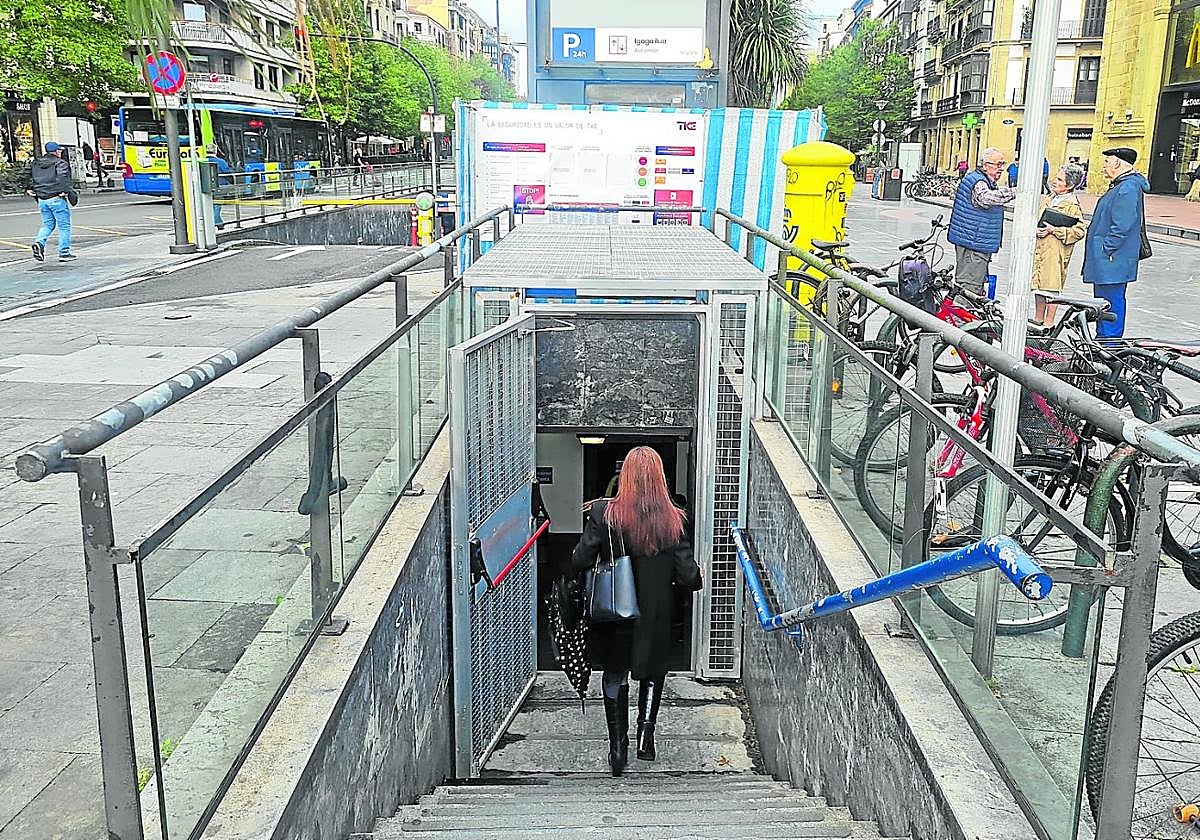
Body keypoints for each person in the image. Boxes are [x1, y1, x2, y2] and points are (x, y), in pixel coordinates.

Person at [568, 447, 703, 777]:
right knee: (655, 671)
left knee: (615, 675)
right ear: (660, 479)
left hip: (615, 610)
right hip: (657, 614)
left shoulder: (604, 513)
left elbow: (579, 560)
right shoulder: (675, 518)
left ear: (624, 476)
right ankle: (646, 736)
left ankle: (617, 750)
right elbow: (688, 577)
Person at [1082, 147, 1150, 340]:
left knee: (1111, 300)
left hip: (1112, 259)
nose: (1104, 166)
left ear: (1118, 163)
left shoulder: (1127, 188)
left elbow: (1123, 224)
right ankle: (1104, 338)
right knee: (1106, 300)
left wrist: (1106, 248)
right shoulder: (1121, 185)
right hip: (1110, 258)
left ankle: (1109, 342)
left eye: (1107, 161)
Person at [948, 147, 1017, 297]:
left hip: (974, 241)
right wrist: (1015, 192)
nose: (1002, 168)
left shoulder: (980, 179)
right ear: (985, 165)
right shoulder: (978, 181)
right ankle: (961, 318)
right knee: (969, 287)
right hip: (973, 243)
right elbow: (986, 199)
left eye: (1003, 164)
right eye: (998, 164)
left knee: (971, 284)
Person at [1032, 164, 1088, 326]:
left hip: (1055, 252)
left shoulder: (1071, 205)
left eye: (1059, 179)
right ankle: (1038, 318)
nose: (1054, 181)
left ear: (1069, 185)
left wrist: (1055, 230)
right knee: (1038, 286)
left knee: (1051, 287)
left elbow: (1079, 230)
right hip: (1040, 248)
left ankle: (1049, 322)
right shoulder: (1050, 198)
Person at [24, 141, 75, 263]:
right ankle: (64, 253)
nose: (60, 152)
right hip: (56, 198)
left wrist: (29, 188)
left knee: (48, 224)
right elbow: (62, 177)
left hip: (42, 199)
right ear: (57, 151)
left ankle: (39, 243)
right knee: (64, 226)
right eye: (60, 151)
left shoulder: (36, 163)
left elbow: (25, 174)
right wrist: (64, 190)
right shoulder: (60, 163)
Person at [206, 144, 233, 228]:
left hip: (205, 188)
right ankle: (217, 223)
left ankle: (217, 222)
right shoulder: (221, 162)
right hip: (219, 187)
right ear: (215, 151)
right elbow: (228, 174)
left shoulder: (202, 161)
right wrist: (232, 182)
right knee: (217, 205)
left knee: (208, 206)